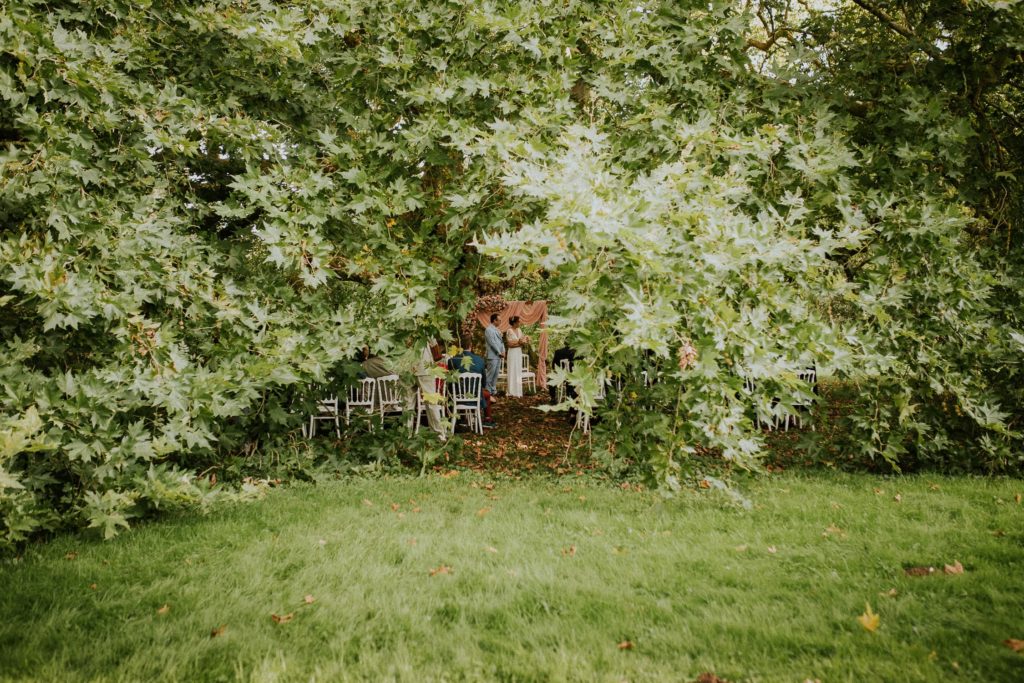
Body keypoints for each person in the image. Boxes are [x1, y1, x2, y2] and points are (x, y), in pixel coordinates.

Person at [448, 338, 495, 428]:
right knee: (487, 395)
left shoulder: (452, 360)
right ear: (471, 346)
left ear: (459, 347)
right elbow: (483, 382)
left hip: (457, 394)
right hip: (475, 394)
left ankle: (459, 418)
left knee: (450, 391)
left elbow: (450, 380)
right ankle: (488, 419)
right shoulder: (480, 360)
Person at [414, 338, 448, 438]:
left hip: (406, 366)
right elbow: (433, 343)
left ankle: (406, 434)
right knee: (431, 402)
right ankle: (438, 434)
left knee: (408, 405)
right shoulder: (425, 323)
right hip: (424, 367)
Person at [504, 316, 530, 398]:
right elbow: (509, 344)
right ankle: (511, 391)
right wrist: (518, 342)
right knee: (512, 370)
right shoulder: (509, 331)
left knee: (518, 370)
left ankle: (518, 391)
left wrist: (522, 342)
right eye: (519, 321)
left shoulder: (519, 330)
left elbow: (521, 342)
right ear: (514, 323)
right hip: (512, 353)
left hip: (518, 352)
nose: (520, 323)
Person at [483, 313, 505, 398]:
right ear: (494, 320)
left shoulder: (497, 330)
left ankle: (493, 390)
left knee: (496, 374)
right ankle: (487, 391)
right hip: (492, 355)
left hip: (498, 356)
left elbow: (501, 342)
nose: (500, 321)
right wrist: (499, 352)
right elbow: (492, 342)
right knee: (490, 374)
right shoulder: (488, 330)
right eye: (499, 320)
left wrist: (503, 351)